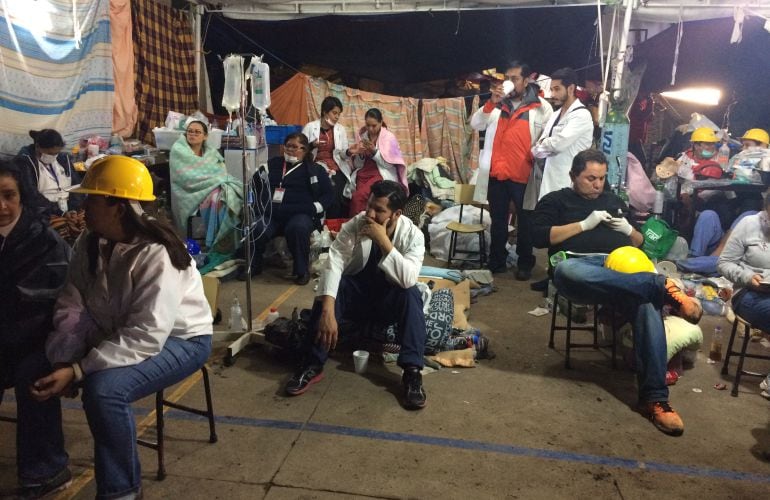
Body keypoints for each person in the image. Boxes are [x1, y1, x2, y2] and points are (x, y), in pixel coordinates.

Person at [31, 156, 213, 500]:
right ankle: (45, 469)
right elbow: (74, 303)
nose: (83, 207)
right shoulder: (90, 241)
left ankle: (121, 491)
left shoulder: (156, 253)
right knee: (36, 366)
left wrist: (79, 370)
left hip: (182, 340)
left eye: (92, 199)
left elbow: (146, 335)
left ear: (118, 206)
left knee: (105, 390)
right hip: (121, 333)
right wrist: (63, 359)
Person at [532, 149, 702, 436]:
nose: (597, 185)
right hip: (579, 267)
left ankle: (655, 399)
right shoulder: (556, 200)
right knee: (566, 271)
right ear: (574, 176)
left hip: (621, 270)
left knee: (645, 301)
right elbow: (537, 237)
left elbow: (641, 245)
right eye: (590, 178)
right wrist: (584, 225)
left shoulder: (613, 201)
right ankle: (661, 286)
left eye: (601, 178)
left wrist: (628, 230)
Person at [284, 180, 428, 410]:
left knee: (411, 294)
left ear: (396, 214)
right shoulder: (356, 224)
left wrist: (383, 242)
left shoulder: (413, 236)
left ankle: (412, 373)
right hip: (358, 300)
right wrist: (328, 312)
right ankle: (312, 363)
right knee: (332, 290)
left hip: (387, 304)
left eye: (379, 210)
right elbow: (334, 263)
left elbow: (408, 278)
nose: (370, 214)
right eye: (369, 206)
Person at [0, 160, 72, 498]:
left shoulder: (44, 240)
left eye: (8, 195)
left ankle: (47, 468)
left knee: (36, 376)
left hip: (38, 337)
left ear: (22, 196)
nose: (1, 206)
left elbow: (52, 303)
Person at [469, 60, 553, 279]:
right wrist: (490, 103)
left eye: (515, 78)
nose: (510, 82)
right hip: (497, 174)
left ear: (526, 80)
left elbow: (548, 138)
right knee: (498, 220)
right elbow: (475, 124)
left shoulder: (542, 107)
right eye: (507, 78)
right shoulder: (497, 105)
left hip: (523, 175)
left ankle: (525, 264)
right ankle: (496, 261)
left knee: (526, 222)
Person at [239, 132, 334, 285]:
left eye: (294, 147)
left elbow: (328, 194)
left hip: (300, 214)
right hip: (272, 215)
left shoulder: (315, 170)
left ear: (305, 150)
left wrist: (315, 208)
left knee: (298, 228)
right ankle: (253, 266)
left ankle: (301, 271)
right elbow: (254, 186)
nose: (289, 150)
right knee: (257, 227)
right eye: (287, 146)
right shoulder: (272, 164)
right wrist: (257, 206)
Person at [169, 120, 243, 253]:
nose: (192, 134)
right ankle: (214, 245)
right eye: (190, 131)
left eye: (197, 132)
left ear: (205, 136)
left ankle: (227, 246)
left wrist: (218, 181)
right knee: (218, 198)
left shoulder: (211, 153)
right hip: (190, 193)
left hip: (215, 187)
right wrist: (216, 181)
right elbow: (186, 178)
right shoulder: (178, 151)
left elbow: (222, 172)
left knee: (228, 195)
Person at [531, 67, 594, 201]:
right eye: (552, 89)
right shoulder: (554, 115)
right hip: (548, 184)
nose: (553, 94)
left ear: (571, 89)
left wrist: (545, 143)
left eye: (557, 89)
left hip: (568, 185)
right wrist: (545, 144)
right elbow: (537, 150)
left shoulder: (582, 115)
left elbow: (558, 144)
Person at [717, 194, 770, 334]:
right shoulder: (749, 224)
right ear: (767, 207)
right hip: (749, 293)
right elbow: (724, 263)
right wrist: (747, 277)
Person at [347, 108, 408, 216]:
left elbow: (388, 164)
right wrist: (360, 153)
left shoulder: (389, 137)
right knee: (361, 200)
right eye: (367, 125)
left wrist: (374, 152)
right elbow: (358, 164)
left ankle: (358, 225)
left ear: (381, 123)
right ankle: (361, 226)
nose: (370, 129)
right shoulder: (363, 136)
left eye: (374, 126)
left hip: (380, 173)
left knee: (358, 198)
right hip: (363, 173)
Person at [303, 96, 351, 218]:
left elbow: (343, 155)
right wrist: (312, 145)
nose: (337, 117)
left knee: (336, 193)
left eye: (338, 114)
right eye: (334, 113)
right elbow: (301, 150)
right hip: (315, 166)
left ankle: (332, 224)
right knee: (319, 189)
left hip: (335, 168)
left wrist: (350, 152)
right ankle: (318, 222)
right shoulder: (310, 127)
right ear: (325, 112)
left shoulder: (340, 129)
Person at [16, 128, 84, 216]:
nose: (53, 157)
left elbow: (76, 186)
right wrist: (60, 213)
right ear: (37, 146)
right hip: (44, 212)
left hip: (69, 209)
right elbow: (31, 196)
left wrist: (73, 209)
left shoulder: (63, 159)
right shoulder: (24, 162)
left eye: (56, 153)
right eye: (50, 153)